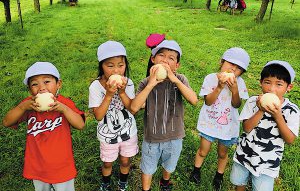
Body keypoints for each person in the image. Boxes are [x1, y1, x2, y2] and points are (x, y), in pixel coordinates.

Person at [2, 62, 85, 191]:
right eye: (35, 84)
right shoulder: (28, 105)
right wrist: (22, 107)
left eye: (47, 81)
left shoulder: (65, 104)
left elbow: (80, 124)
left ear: (58, 84)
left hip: (62, 166)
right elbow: (7, 122)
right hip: (37, 166)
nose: (41, 87)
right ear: (30, 90)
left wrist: (64, 109)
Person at [131, 40, 198, 191]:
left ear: (177, 66)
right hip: (152, 137)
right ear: (153, 59)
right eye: (161, 55)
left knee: (170, 164)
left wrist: (174, 79)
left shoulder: (180, 80)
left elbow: (194, 100)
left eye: (171, 58)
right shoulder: (146, 83)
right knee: (148, 167)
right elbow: (135, 107)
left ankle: (165, 181)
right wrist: (151, 84)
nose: (165, 60)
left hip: (175, 135)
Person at [230, 60, 299, 191]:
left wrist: (278, 116)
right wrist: (260, 110)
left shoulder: (292, 110)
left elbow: (290, 139)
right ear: (261, 82)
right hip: (244, 155)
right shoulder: (252, 102)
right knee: (239, 183)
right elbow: (246, 128)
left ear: (289, 87)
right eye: (267, 82)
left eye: (279, 84)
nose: (272, 89)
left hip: (268, 163)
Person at [190, 47, 250, 191]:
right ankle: (196, 170)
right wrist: (219, 87)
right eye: (231, 64)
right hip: (209, 122)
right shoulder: (211, 78)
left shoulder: (239, 83)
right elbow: (208, 102)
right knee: (203, 150)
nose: (233, 69)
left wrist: (234, 89)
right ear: (221, 62)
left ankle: (219, 175)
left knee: (222, 153)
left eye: (238, 68)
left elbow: (236, 104)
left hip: (228, 125)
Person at [89, 41, 138, 191]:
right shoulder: (95, 87)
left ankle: (123, 182)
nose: (116, 70)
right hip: (107, 134)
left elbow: (132, 108)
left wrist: (122, 92)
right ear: (101, 66)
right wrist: (109, 94)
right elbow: (98, 115)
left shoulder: (128, 83)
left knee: (125, 160)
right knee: (107, 162)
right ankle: (106, 183)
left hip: (127, 132)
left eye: (120, 65)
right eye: (110, 66)